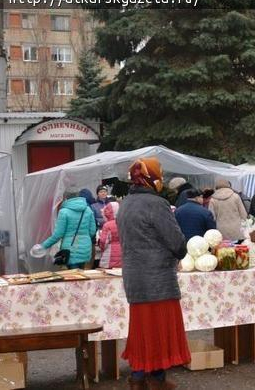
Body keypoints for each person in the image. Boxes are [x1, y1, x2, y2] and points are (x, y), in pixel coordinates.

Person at [117, 157, 190, 389]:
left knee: (142, 331)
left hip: (134, 277)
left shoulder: (125, 203)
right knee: (159, 331)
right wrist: (179, 252)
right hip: (157, 278)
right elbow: (177, 242)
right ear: (153, 178)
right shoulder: (156, 204)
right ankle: (156, 379)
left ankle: (138, 378)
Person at [37, 189, 97, 270]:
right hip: (86, 248)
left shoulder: (64, 212)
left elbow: (58, 235)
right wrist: (84, 237)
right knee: (81, 275)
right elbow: (92, 231)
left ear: (65, 198)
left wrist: (43, 246)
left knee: (73, 277)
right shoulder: (88, 209)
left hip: (70, 250)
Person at [97, 202, 123, 269]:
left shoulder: (107, 225)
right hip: (123, 252)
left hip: (109, 254)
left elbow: (103, 242)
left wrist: (102, 248)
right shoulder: (124, 222)